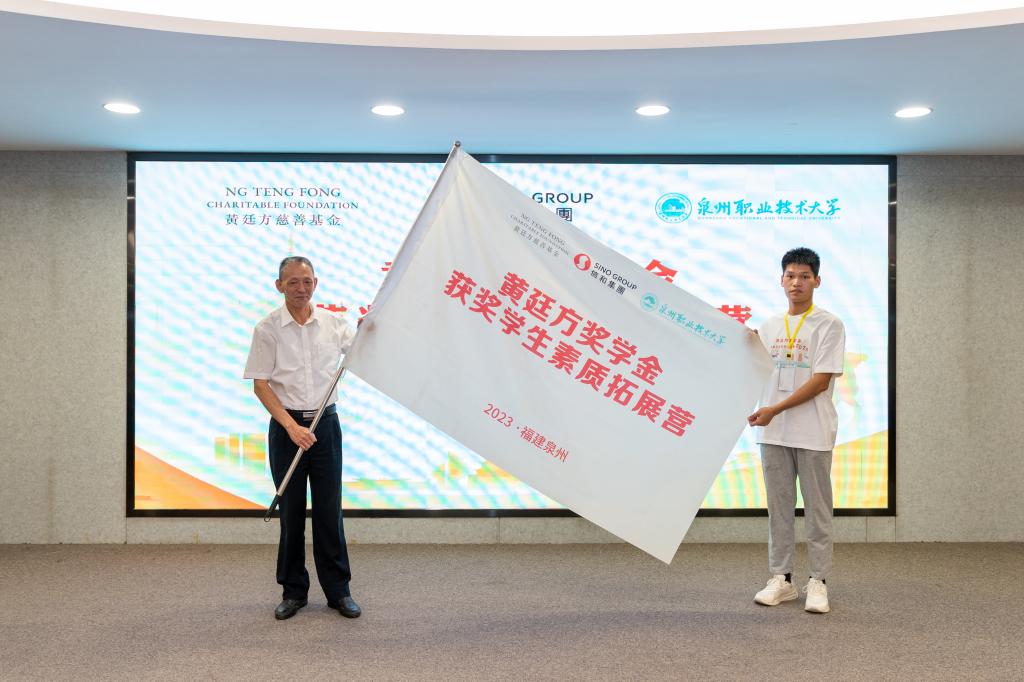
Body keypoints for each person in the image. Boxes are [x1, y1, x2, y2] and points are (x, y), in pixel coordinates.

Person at [243, 256, 361, 620]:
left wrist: (371, 328)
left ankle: (339, 592)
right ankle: (293, 592)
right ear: (279, 285)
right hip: (287, 428)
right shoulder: (267, 328)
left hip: (325, 425)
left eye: (307, 281)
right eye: (292, 282)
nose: (301, 288)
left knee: (329, 510)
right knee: (291, 513)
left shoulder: (333, 324)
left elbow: (363, 350)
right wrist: (291, 427)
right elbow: (260, 385)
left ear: (316, 284)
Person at [747, 247, 845, 614]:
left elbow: (820, 382)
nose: (796, 282)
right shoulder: (769, 327)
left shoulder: (829, 324)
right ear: (781, 279)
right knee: (779, 510)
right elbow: (751, 369)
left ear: (817, 281)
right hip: (773, 433)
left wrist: (774, 409)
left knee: (817, 510)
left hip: (813, 432)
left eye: (804, 276)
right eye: (790, 275)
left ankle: (818, 581)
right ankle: (782, 579)